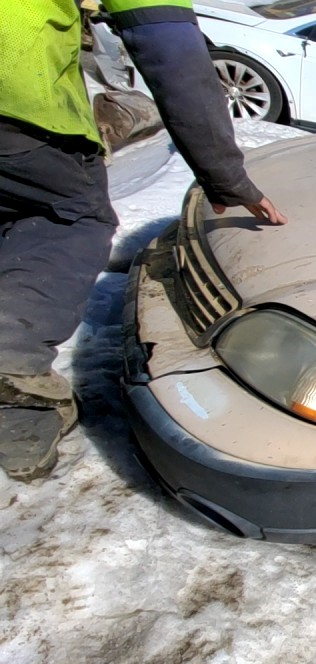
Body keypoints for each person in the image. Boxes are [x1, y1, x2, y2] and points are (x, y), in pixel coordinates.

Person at [0, 0, 286, 480]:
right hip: (17, 110)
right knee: (71, 218)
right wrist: (225, 178)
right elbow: (172, 54)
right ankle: (11, 356)